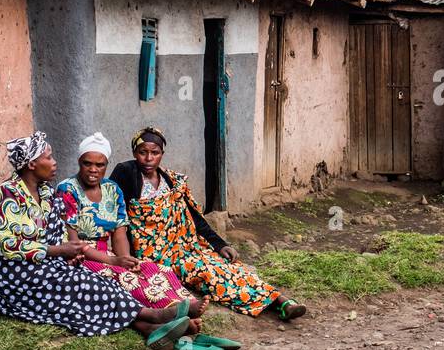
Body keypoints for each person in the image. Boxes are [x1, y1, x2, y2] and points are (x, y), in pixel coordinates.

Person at [0, 132, 204, 348]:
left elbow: (56, 234)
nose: (54, 162)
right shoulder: (5, 196)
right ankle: (151, 315)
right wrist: (61, 251)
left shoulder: (46, 193)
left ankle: (147, 326)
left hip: (45, 266)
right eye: (49, 157)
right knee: (84, 286)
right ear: (31, 164)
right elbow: (11, 247)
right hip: (10, 277)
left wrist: (67, 257)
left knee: (96, 285)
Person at [110, 126, 306, 321]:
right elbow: (114, 210)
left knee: (230, 267)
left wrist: (220, 245)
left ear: (162, 153)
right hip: (159, 257)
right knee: (209, 274)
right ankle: (274, 302)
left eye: (155, 152)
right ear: (134, 152)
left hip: (186, 247)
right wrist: (124, 256)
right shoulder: (126, 172)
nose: (149, 158)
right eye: (143, 152)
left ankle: (283, 301)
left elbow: (194, 218)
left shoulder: (172, 182)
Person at [53, 132, 195, 312]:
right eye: (87, 163)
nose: (93, 169)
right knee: (123, 277)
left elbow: (119, 234)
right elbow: (73, 243)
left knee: (153, 268)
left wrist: (125, 260)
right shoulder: (67, 189)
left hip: (108, 253)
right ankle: (167, 309)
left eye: (100, 164)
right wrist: (115, 262)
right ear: (79, 162)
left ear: (106, 165)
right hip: (81, 257)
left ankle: (185, 301)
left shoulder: (113, 190)